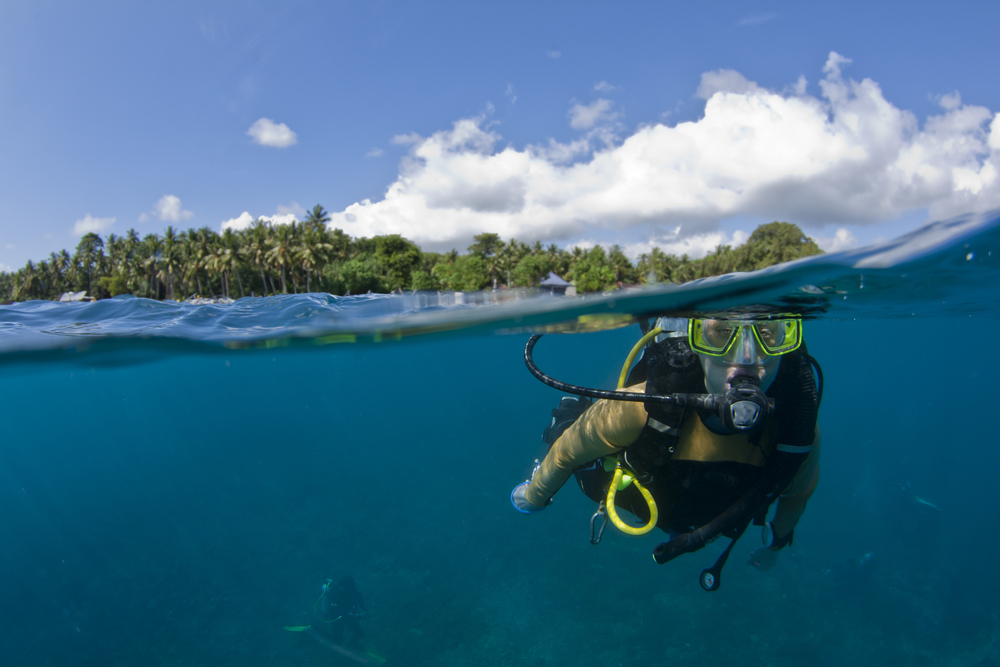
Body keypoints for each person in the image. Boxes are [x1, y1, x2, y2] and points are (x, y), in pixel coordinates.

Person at [512, 314, 822, 590]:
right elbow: (568, 452)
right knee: (578, 455)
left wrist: (775, 546)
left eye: (768, 334)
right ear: (696, 341)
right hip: (637, 492)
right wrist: (535, 495)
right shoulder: (640, 408)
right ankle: (567, 414)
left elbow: (798, 493)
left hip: (708, 507)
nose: (746, 357)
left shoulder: (796, 431)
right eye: (722, 333)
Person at [316, 575, 368, 649]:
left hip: (347, 615)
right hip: (337, 617)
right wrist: (359, 616)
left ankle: (351, 644)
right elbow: (342, 613)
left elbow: (359, 598)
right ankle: (317, 631)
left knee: (360, 633)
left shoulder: (351, 589)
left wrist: (365, 609)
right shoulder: (335, 595)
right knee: (337, 640)